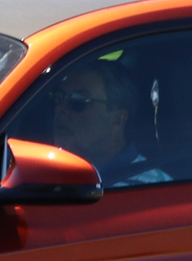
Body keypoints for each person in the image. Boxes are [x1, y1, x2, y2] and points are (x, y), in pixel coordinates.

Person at [47, 57, 168, 187]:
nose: (60, 108)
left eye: (78, 101)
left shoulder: (149, 192)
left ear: (117, 119)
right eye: (58, 96)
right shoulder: (45, 172)